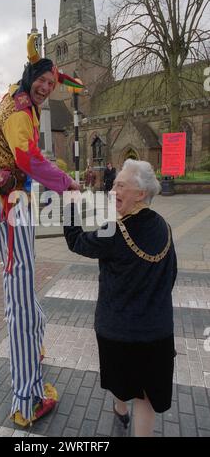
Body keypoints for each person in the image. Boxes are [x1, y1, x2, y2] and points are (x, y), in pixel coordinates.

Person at [0, 34, 81, 426]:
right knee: (21, 304)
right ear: (30, 78)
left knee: (24, 295)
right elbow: (29, 158)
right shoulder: (20, 114)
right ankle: (27, 400)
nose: (46, 87)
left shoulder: (18, 95)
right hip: (12, 211)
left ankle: (34, 349)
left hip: (7, 203)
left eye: (51, 84)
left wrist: (35, 61)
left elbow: (29, 156)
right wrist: (66, 183)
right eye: (42, 81)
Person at [64, 159, 177, 437]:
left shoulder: (114, 230)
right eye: (113, 184)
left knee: (121, 378)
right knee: (146, 395)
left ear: (140, 194)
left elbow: (76, 241)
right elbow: (170, 276)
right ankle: (125, 414)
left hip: (118, 330)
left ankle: (120, 410)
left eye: (120, 185)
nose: (113, 190)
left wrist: (69, 203)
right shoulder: (164, 226)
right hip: (157, 332)